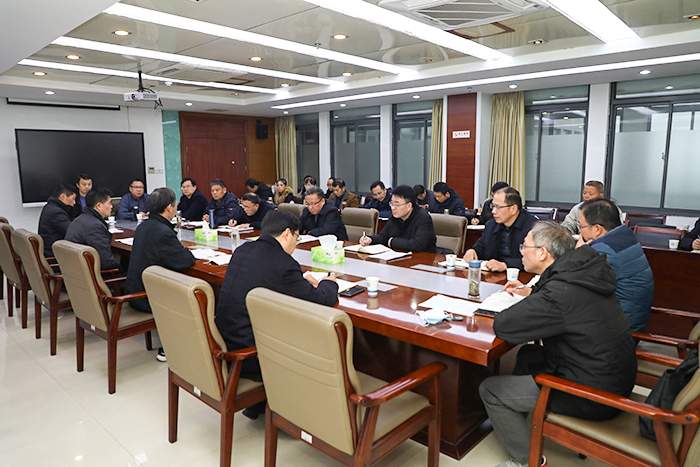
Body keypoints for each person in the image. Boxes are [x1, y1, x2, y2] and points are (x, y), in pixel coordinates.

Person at [479, 221, 636, 467]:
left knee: (490, 390)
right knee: (528, 354)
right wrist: (533, 294)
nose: (521, 251)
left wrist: (529, 301)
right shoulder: (578, 274)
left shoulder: (560, 293)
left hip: (592, 394)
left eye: (524, 246)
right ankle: (517, 422)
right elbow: (566, 306)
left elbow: (505, 326)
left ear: (543, 253)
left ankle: (527, 460)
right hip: (612, 376)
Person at [215, 210, 338, 418]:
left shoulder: (243, 250)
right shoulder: (283, 263)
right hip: (251, 356)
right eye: (297, 238)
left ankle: (259, 404)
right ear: (287, 233)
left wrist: (298, 283)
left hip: (224, 342)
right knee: (313, 339)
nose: (295, 244)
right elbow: (320, 300)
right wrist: (329, 282)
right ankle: (296, 413)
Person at [125, 188, 196, 361]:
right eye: (175, 204)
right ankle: (172, 346)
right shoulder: (162, 232)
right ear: (169, 208)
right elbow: (185, 260)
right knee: (196, 295)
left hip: (135, 289)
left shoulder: (144, 226)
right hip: (149, 297)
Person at [578, 198, 654, 332]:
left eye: (581, 226)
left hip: (618, 331)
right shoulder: (626, 235)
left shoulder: (604, 250)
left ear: (597, 229)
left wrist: (580, 251)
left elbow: (576, 280)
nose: (580, 232)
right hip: (631, 320)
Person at [463, 187, 536, 271]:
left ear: (513, 209)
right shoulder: (491, 225)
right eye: (493, 206)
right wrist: (472, 251)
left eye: (498, 207)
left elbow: (535, 259)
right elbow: (482, 246)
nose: (493, 211)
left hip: (522, 276)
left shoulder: (533, 227)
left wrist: (505, 265)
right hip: (493, 275)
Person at [360, 185, 437, 253]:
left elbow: (418, 245)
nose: (393, 208)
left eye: (397, 204)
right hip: (400, 257)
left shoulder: (423, 218)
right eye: (392, 204)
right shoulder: (395, 217)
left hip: (423, 260)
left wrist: (392, 242)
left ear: (409, 206)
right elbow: (383, 236)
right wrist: (370, 239)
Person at [65, 187, 120, 271]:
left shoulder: (78, 220)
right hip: (92, 274)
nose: (111, 206)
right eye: (109, 203)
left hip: (76, 272)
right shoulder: (95, 226)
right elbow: (106, 262)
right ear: (99, 206)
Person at [38, 183, 77, 257]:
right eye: (73, 198)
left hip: (51, 250)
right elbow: (72, 233)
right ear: (63, 197)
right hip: (54, 255)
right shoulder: (57, 213)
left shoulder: (50, 207)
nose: (74, 202)